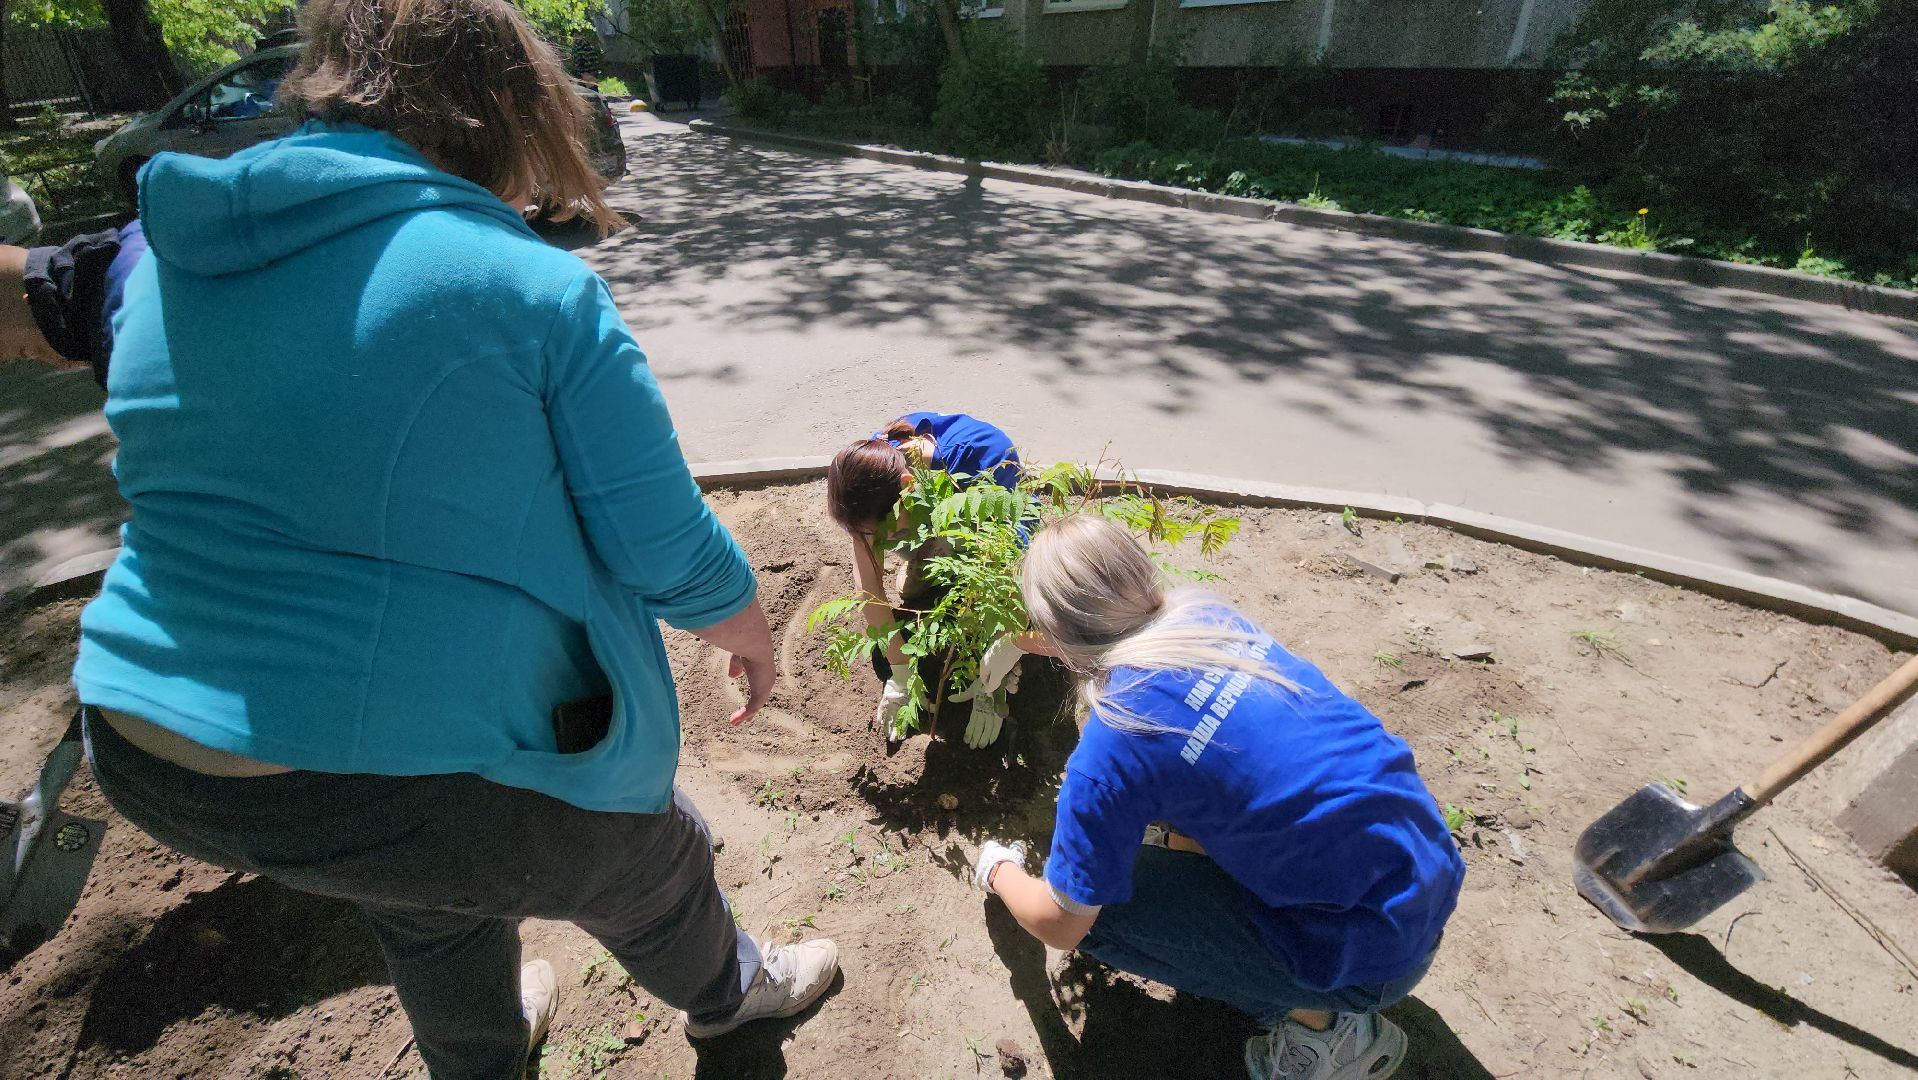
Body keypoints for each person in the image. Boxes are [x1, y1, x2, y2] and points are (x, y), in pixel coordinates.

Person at [70, 3, 836, 1078]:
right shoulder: (527, 285)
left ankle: (477, 1055)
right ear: (507, 109)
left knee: (420, 889)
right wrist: (744, 626)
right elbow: (661, 542)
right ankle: (730, 997)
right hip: (378, 769)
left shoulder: (169, 261)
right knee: (650, 854)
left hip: (149, 742)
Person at [971, 515, 1464, 1080]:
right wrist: (1026, 641)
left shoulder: (1112, 745)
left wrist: (999, 868)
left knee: (1101, 910)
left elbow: (1061, 924)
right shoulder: (1211, 620)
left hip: (1376, 958)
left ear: (1060, 633)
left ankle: (1330, 1034)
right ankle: (1295, 973)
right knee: (1182, 830)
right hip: (1422, 870)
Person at [826, 411, 1027, 746]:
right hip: (925, 517)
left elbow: (1009, 573)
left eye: (877, 535)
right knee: (911, 547)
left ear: (908, 488)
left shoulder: (987, 460)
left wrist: (997, 674)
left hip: (984, 530)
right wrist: (901, 674)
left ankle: (943, 554)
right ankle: (930, 555)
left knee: (987, 576)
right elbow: (869, 589)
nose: (874, 543)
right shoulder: (866, 479)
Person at [3, 221, 148, 384]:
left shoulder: (122, 345)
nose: (62, 367)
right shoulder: (140, 240)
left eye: (24, 353)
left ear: (31, 301)